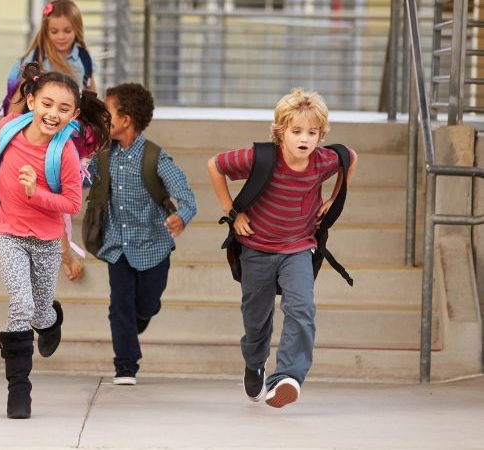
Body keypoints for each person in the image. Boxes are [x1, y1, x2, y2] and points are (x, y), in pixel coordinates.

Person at [0, 62, 110, 419]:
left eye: (63, 109)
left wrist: (36, 192)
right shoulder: (8, 127)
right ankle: (19, 390)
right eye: (46, 104)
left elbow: (72, 204)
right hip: (9, 234)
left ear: (74, 115)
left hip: (46, 241)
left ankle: (50, 321)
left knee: (40, 310)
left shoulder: (65, 154)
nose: (52, 114)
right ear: (31, 102)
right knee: (20, 305)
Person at [207, 88, 358, 408]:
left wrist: (333, 198)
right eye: (296, 131)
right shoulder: (260, 157)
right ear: (281, 132)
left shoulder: (322, 160)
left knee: (302, 309)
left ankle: (287, 377)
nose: (305, 139)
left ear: (321, 135)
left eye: (312, 132)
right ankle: (255, 362)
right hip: (257, 249)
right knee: (256, 319)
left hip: (299, 249)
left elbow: (350, 157)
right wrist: (231, 212)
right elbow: (215, 166)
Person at [88, 83, 197, 386]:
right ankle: (125, 365)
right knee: (119, 304)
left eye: (107, 114)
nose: (103, 121)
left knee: (146, 305)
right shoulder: (103, 156)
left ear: (126, 120)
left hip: (153, 247)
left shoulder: (155, 158)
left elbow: (187, 197)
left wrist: (180, 217)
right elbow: (83, 179)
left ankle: (142, 315)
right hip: (117, 246)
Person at [3, 0, 98, 281]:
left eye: (67, 30)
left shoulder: (83, 58)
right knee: (51, 193)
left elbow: (90, 94)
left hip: (70, 134)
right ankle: (63, 252)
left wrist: (95, 132)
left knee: (60, 194)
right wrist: (5, 139)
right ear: (45, 31)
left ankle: (58, 248)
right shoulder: (35, 60)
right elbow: (17, 101)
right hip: (39, 137)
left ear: (76, 30)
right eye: (54, 31)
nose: (60, 37)